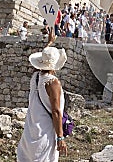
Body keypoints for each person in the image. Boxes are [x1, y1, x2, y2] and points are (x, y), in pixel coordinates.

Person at [17, 29, 68, 161]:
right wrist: (60, 137)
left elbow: (42, 63)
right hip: (45, 131)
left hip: (31, 130)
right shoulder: (53, 83)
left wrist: (49, 43)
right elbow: (56, 111)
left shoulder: (36, 77)